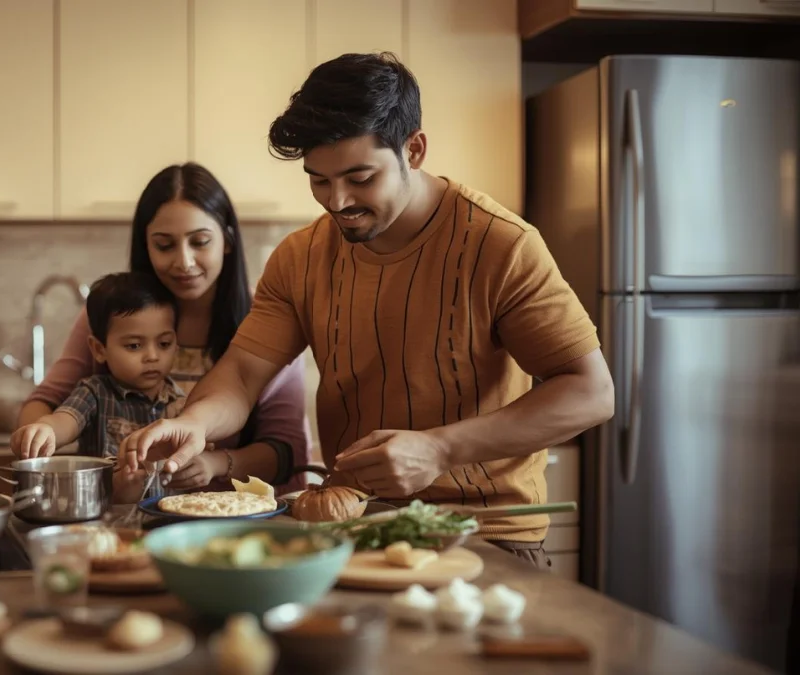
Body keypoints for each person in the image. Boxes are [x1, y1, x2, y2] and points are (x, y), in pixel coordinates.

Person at [122, 53, 615, 568]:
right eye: (318, 180)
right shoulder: (301, 257)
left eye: (360, 177)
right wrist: (198, 423)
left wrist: (440, 450)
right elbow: (244, 374)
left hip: (482, 534)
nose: (337, 202)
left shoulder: (501, 245)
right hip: (348, 527)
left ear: (414, 149)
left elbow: (590, 392)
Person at [18, 163, 312, 495]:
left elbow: (287, 450)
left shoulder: (266, 319)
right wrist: (40, 435)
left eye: (200, 242)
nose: (184, 261)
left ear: (227, 240)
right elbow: (45, 402)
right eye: (164, 245)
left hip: (225, 515)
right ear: (146, 246)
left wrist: (217, 464)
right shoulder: (114, 314)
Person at [11, 272, 184, 502]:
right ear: (99, 349)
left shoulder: (179, 401)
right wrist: (46, 430)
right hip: (101, 518)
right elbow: (65, 421)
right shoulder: (94, 392)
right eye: (134, 345)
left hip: (162, 522)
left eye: (164, 344)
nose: (152, 356)